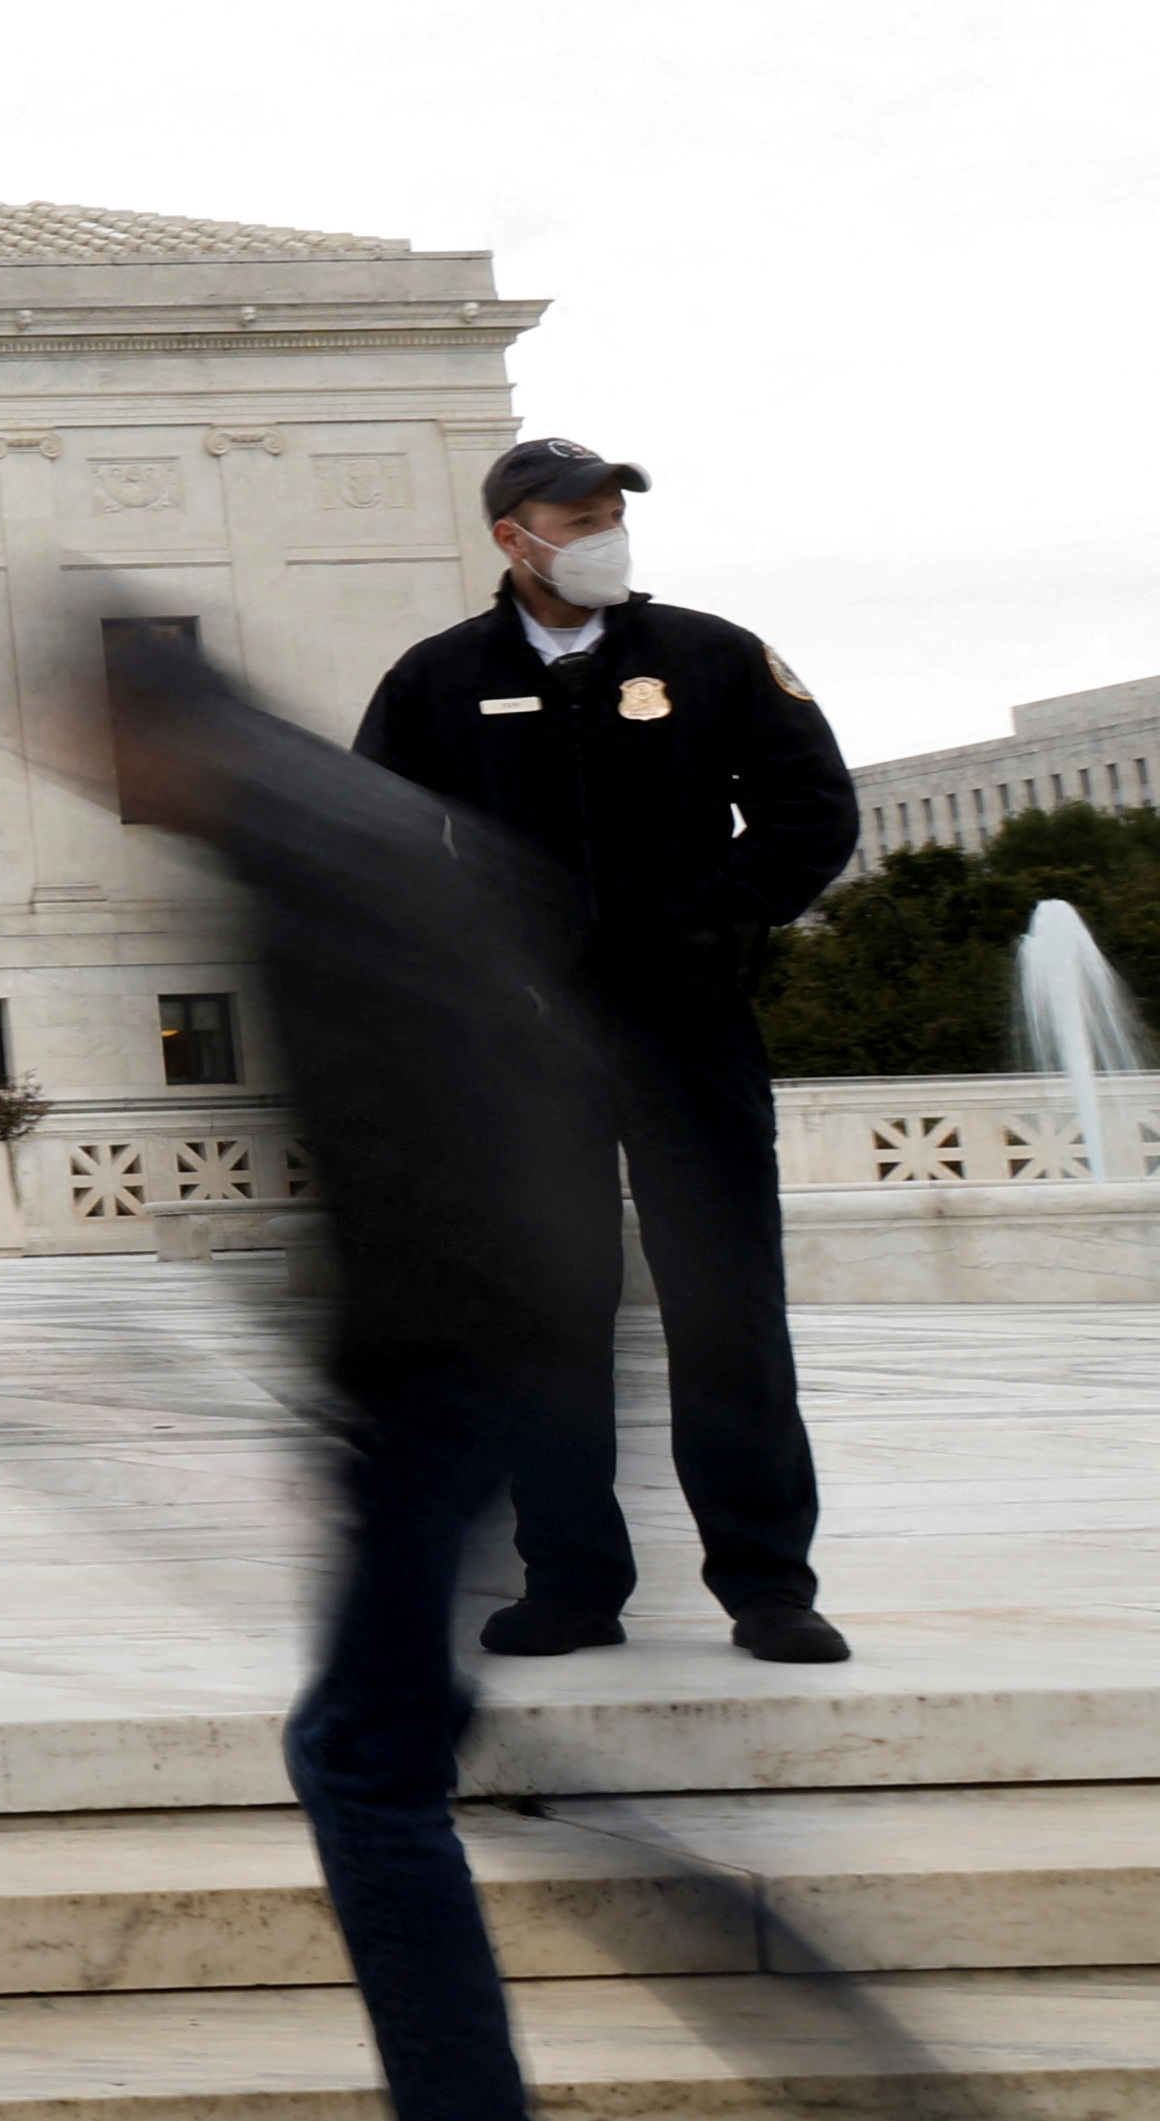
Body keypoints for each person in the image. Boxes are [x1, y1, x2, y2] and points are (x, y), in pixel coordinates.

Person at [116, 623, 625, 2121]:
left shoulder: (301, 851)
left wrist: (374, 1401)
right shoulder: (358, 824)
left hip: (453, 1350)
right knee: (381, 1742)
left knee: (364, 1758)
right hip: (501, 1336)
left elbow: (410, 1135)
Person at [348, 435, 860, 1663]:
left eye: (609, 513)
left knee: (726, 1302)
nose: (600, 533)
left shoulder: (710, 655)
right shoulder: (440, 679)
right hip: (522, 1050)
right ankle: (570, 1582)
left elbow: (811, 811)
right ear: (512, 538)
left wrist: (713, 919)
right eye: (575, 517)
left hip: (687, 1027)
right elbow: (376, 843)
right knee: (550, 1313)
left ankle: (767, 1582)